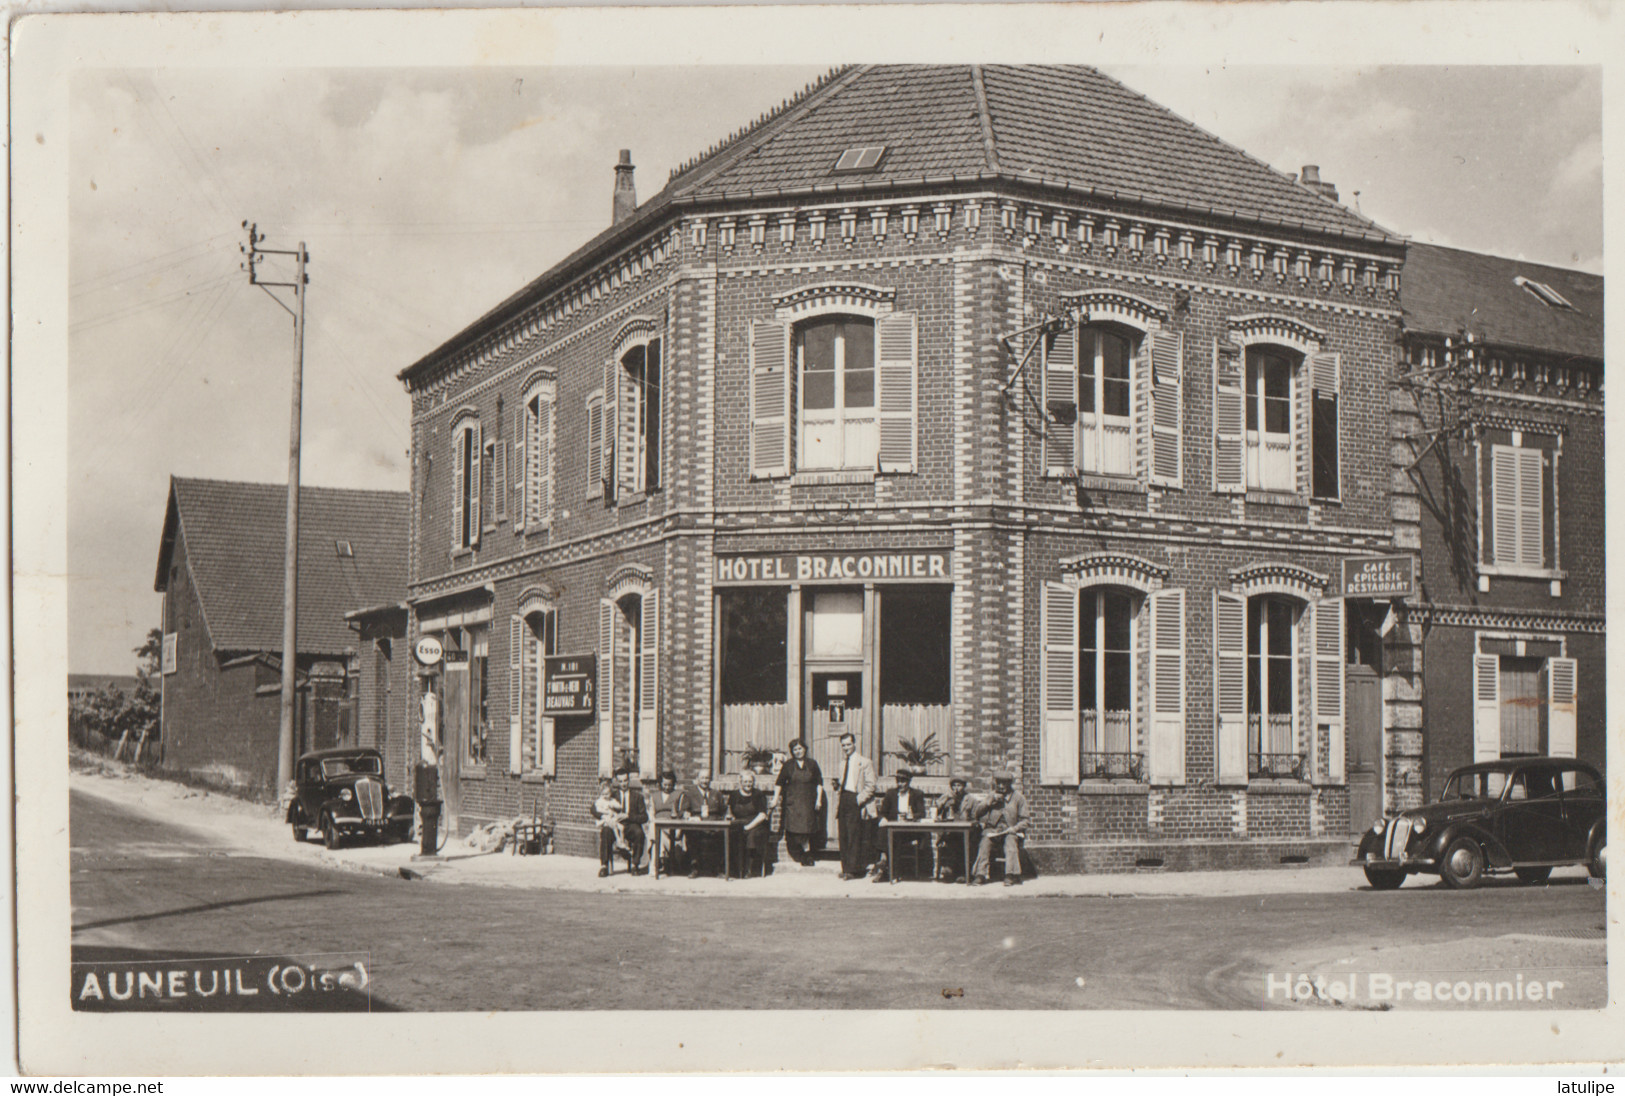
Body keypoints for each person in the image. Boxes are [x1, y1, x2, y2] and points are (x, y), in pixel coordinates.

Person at [830, 731, 877, 880]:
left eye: (848, 744)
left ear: (854, 744)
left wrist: (858, 800)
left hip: (855, 800)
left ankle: (854, 870)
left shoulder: (864, 762)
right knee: (843, 835)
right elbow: (844, 782)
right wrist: (837, 786)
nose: (846, 748)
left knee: (854, 836)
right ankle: (846, 868)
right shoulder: (842, 763)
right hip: (843, 799)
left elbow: (871, 785)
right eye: (843, 745)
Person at [971, 771, 1030, 886]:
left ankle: (1010, 875)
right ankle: (980, 875)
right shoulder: (991, 795)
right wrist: (989, 802)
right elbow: (977, 813)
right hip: (993, 830)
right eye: (999, 783)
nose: (1001, 786)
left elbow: (1026, 820)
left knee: (1010, 844)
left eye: (1005, 783)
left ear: (1010, 784)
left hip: (1010, 830)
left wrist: (1015, 828)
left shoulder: (1018, 798)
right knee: (984, 843)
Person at [772, 739, 824, 866]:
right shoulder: (788, 765)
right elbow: (779, 784)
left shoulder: (812, 764)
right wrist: (774, 799)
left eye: (800, 748)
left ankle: (807, 854)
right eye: (795, 749)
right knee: (794, 830)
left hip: (808, 802)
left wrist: (819, 799)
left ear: (805, 749)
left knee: (807, 829)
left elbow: (819, 783)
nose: (798, 751)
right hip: (793, 803)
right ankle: (800, 854)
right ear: (792, 752)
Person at [871, 768, 928, 882]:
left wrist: (911, 816)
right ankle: (888, 868)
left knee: (893, 838)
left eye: (903, 781)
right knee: (884, 831)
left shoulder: (917, 794)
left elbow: (922, 813)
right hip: (894, 828)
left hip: (910, 830)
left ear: (909, 781)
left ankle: (885, 867)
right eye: (899, 781)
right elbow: (882, 812)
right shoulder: (891, 793)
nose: (901, 784)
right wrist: (883, 819)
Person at [592, 770, 648, 877]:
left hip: (630, 825)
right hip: (615, 825)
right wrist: (603, 816)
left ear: (629, 780)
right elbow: (593, 808)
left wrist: (628, 816)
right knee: (605, 831)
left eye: (625, 780)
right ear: (617, 782)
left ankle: (635, 865)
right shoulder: (611, 795)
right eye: (621, 781)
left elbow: (644, 817)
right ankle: (604, 865)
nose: (623, 784)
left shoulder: (637, 796)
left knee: (639, 833)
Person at [677, 770, 727, 878]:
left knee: (721, 837)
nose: (705, 781)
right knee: (692, 836)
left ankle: (718, 869)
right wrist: (686, 815)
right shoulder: (689, 793)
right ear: (698, 779)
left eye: (707, 778)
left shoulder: (716, 794)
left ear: (710, 780)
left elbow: (723, 811)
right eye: (703, 778)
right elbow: (682, 811)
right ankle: (694, 868)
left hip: (714, 825)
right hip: (696, 825)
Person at [726, 769, 772, 878]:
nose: (748, 784)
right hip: (739, 822)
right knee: (731, 835)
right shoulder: (734, 795)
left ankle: (750, 870)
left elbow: (762, 815)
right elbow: (730, 812)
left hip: (756, 823)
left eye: (750, 782)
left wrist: (748, 827)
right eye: (745, 782)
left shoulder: (758, 794)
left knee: (752, 836)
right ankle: (735, 870)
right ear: (740, 782)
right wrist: (730, 817)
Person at [932, 774, 973, 883]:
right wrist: (944, 800)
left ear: (964, 787)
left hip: (965, 830)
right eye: (954, 786)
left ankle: (962, 873)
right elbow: (937, 812)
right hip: (950, 830)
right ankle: (949, 871)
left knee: (961, 842)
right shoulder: (947, 798)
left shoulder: (969, 799)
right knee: (949, 841)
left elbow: (975, 816)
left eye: (959, 786)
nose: (956, 789)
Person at [647, 770, 686, 874]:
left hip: (671, 827)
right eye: (665, 784)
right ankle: (659, 859)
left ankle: (655, 864)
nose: (667, 787)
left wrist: (678, 830)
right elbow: (651, 813)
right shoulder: (654, 796)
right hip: (657, 825)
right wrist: (655, 821)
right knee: (654, 826)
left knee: (655, 831)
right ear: (660, 783)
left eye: (670, 785)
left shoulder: (679, 795)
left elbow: (681, 814)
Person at [592, 777, 631, 861]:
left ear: (610, 793)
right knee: (611, 828)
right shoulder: (600, 801)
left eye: (607, 794)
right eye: (603, 794)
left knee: (621, 827)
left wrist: (613, 806)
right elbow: (596, 809)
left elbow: (619, 806)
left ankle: (621, 841)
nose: (605, 796)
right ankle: (618, 841)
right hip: (605, 820)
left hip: (615, 820)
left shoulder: (612, 799)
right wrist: (606, 812)